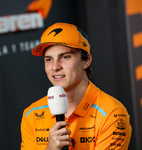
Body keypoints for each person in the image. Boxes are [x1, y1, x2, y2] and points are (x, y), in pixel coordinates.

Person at [20, 22, 132, 150]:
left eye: (65, 57)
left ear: (86, 61)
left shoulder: (113, 114)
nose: (55, 67)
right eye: (49, 59)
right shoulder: (31, 114)